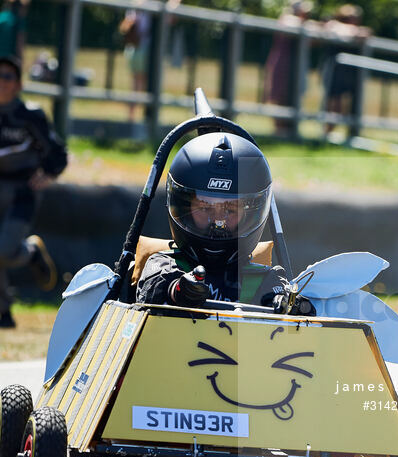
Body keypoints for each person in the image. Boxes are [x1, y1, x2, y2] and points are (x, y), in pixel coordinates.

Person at [136, 131, 314, 316]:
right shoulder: (162, 266)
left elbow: (293, 320)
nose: (218, 223)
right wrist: (180, 291)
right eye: (206, 208)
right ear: (184, 208)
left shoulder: (266, 280)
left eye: (230, 210)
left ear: (249, 214)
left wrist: (293, 308)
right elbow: (153, 292)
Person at [0, 56, 67, 330]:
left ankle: (31, 251)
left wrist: (47, 174)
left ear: (19, 84)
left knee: (2, 251)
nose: (2, 81)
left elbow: (57, 153)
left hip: (22, 192)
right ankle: (4, 316)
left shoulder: (30, 116)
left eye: (8, 76)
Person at [263, 1, 317, 137]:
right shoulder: (287, 19)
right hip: (283, 65)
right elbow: (294, 25)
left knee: (294, 98)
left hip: (297, 67)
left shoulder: (305, 24)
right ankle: (279, 133)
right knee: (280, 98)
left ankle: (289, 132)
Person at [320, 4, 371, 136]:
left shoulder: (356, 30)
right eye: (349, 18)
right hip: (334, 72)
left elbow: (366, 34)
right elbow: (341, 30)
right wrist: (354, 32)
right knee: (333, 104)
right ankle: (327, 133)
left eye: (355, 18)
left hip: (349, 74)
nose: (353, 21)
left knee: (348, 105)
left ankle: (343, 134)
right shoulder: (333, 26)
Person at [119, 3, 151, 122]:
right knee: (140, 85)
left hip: (132, 50)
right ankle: (138, 117)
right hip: (142, 50)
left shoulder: (133, 5)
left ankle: (132, 115)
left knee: (136, 84)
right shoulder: (145, 5)